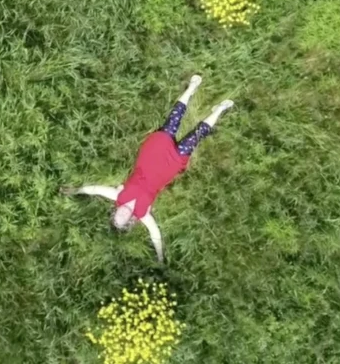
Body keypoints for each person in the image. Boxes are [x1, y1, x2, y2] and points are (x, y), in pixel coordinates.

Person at [61, 75, 233, 262]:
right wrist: (160, 255)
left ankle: (191, 88)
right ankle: (220, 109)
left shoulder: (118, 196)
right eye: (124, 219)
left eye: (118, 215)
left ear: (115, 211)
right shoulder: (143, 214)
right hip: (168, 167)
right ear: (129, 222)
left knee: (172, 122)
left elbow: (93, 189)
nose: (123, 213)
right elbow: (155, 234)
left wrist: (74, 191)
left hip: (152, 156)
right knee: (195, 137)